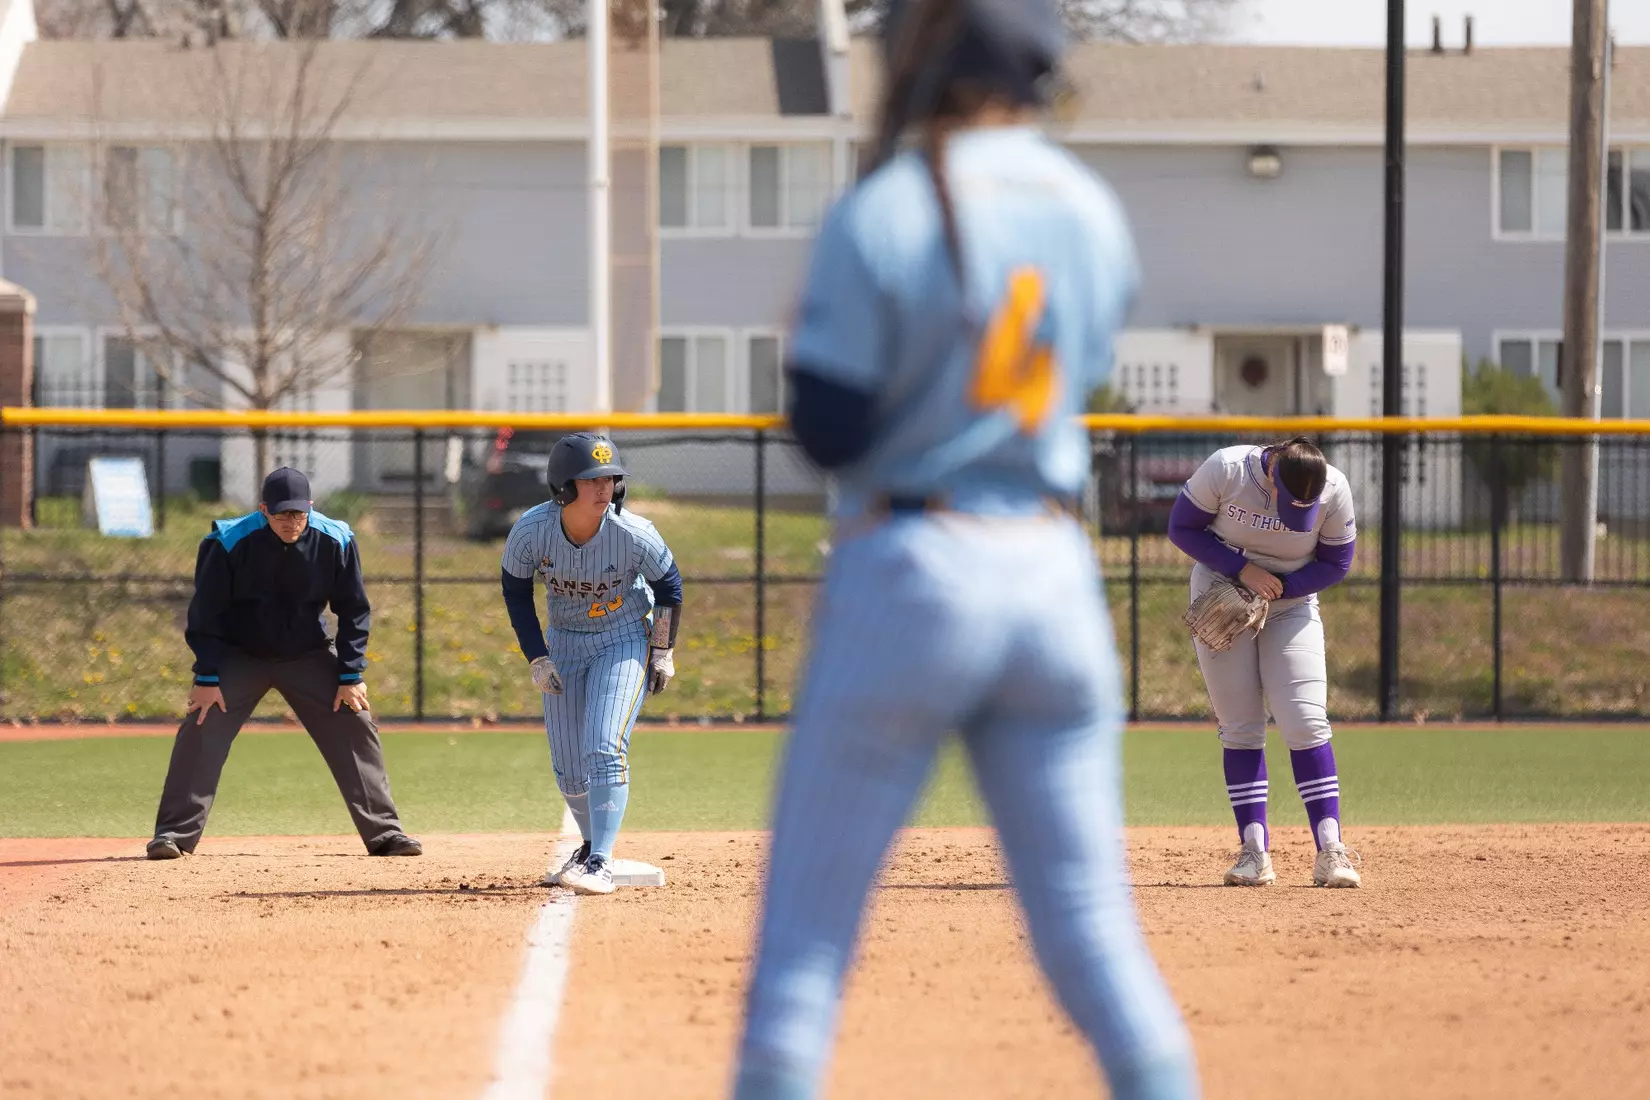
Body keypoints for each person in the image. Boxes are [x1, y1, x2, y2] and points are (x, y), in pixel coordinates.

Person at [729, 1, 1200, 1097]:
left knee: (802, 953)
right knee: (1093, 934)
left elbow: (831, 430)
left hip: (917, 566)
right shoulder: (1091, 205)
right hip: (1052, 573)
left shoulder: (889, 207)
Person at [148, 467, 420, 860]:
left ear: (310, 508)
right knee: (201, 724)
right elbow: (206, 614)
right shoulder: (227, 542)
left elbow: (354, 610)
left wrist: (350, 674)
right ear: (263, 510)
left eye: (299, 514)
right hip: (241, 655)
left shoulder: (336, 539)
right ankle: (173, 835)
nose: (291, 523)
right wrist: (207, 676)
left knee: (355, 721)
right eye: (281, 515)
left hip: (307, 653)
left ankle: (386, 834)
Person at [1167, 436, 1363, 889]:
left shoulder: (1332, 487)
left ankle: (1330, 851)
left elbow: (1336, 562)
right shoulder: (1228, 469)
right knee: (1240, 725)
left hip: (1290, 605)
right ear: (1272, 476)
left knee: (1306, 722)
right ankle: (1254, 853)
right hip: (1221, 591)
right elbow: (1182, 527)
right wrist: (1242, 571)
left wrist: (1275, 590)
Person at [499, 432, 683, 896]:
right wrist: (537, 657)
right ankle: (587, 845)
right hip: (564, 641)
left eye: (610, 478)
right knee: (567, 762)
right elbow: (516, 593)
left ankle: (600, 860)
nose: (604, 487)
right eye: (591, 479)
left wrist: (661, 649)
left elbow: (670, 589)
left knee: (604, 744)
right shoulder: (531, 530)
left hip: (622, 638)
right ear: (564, 485)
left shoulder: (634, 534)